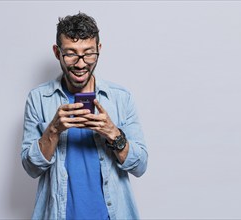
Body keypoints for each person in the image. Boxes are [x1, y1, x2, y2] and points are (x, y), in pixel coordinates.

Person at [21, 12, 148, 220]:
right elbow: (31, 168)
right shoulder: (38, 99)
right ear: (57, 52)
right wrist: (53, 130)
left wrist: (114, 135)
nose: (81, 64)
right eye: (71, 53)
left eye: (88, 53)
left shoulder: (120, 98)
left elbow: (140, 166)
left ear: (99, 49)